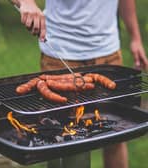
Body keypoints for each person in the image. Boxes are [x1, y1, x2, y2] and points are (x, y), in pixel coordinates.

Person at [11, 0, 148, 168]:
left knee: (116, 138)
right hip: (60, 54)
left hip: (108, 53)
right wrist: (26, 2)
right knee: (59, 141)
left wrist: (135, 38)